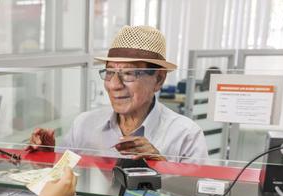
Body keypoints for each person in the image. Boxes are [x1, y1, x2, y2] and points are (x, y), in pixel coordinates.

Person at [27, 25, 209, 162]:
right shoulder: (84, 125)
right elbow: (60, 181)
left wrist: (161, 167)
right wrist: (47, 157)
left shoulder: (186, 135)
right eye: (109, 72)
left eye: (129, 73)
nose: (114, 85)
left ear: (159, 80)